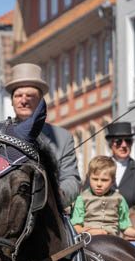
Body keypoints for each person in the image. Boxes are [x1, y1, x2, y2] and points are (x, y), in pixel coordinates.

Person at [5, 63, 81, 205]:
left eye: (30, 96)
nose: (23, 100)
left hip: (49, 214)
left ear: (40, 101)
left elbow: (72, 180)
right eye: (18, 96)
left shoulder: (63, 138)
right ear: (12, 101)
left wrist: (54, 197)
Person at [70, 156, 135, 238]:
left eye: (104, 180)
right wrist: (91, 231)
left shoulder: (119, 199)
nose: (99, 184)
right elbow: (76, 227)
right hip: (89, 240)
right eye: (95, 179)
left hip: (113, 240)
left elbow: (125, 227)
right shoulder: (81, 199)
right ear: (89, 177)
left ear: (113, 181)